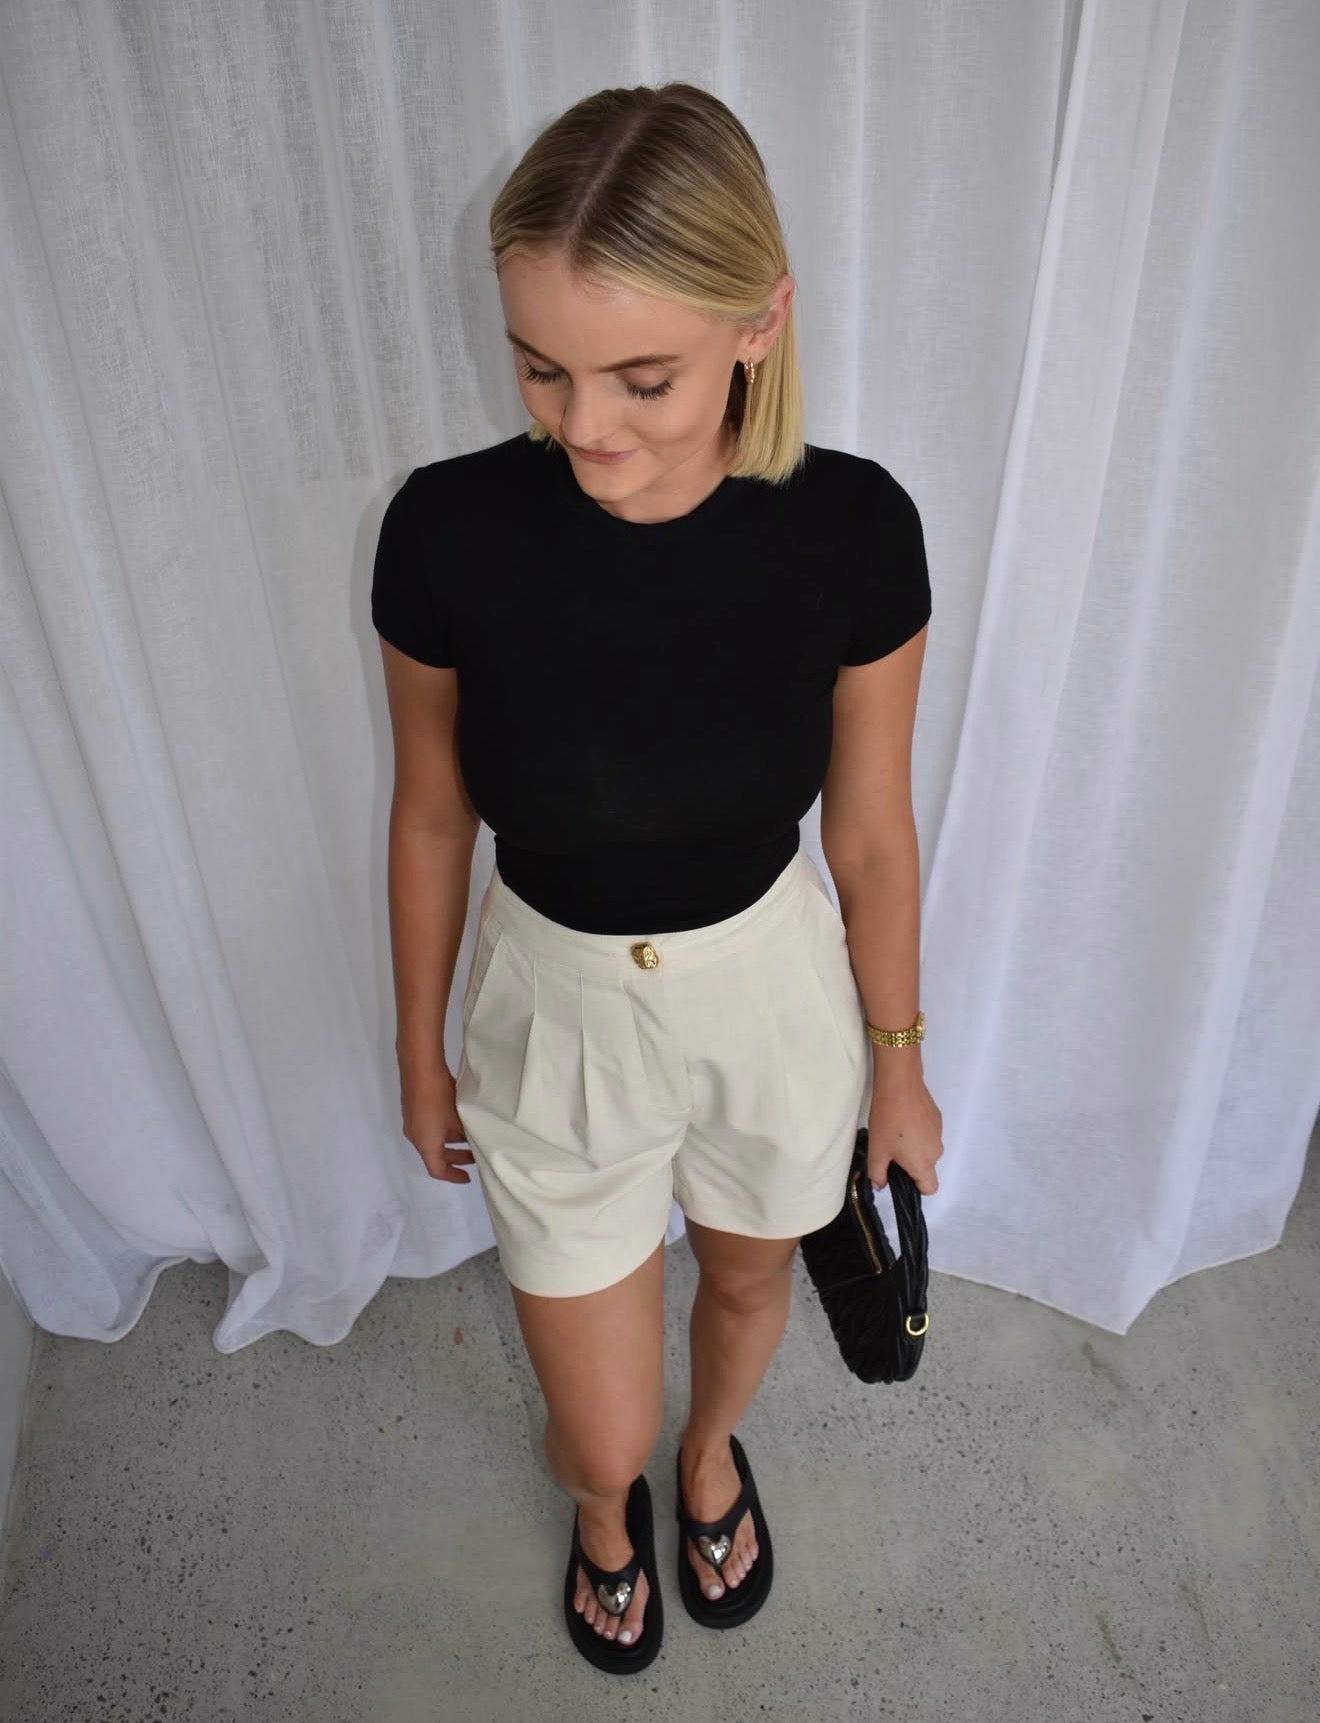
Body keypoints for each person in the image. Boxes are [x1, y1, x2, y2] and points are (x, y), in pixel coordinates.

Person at [371, 80, 944, 1676]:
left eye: (641, 377)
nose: (583, 427)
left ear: (759, 323)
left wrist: (899, 1069)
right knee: (596, 1418)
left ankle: (714, 1466)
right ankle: (614, 1503)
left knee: (753, 1284)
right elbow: (430, 818)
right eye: (540, 368)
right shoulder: (444, 531)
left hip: (771, 995)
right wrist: (420, 1046)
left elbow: (875, 832)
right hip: (551, 1010)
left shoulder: (854, 530)